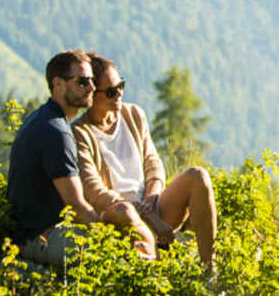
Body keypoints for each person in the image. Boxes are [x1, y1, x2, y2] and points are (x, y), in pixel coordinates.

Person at [6, 49, 156, 267]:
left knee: (123, 227)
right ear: (58, 84)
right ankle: (155, 268)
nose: (92, 88)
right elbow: (76, 205)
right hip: (42, 236)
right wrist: (108, 240)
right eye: (83, 82)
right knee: (117, 257)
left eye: (92, 82)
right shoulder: (57, 132)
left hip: (39, 231)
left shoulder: (44, 118)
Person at [74, 54, 217, 276]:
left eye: (120, 86)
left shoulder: (133, 114)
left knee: (197, 176)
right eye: (111, 92)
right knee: (124, 211)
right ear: (92, 94)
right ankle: (159, 274)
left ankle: (210, 272)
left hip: (151, 206)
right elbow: (93, 190)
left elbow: (153, 164)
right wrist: (145, 215)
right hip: (117, 215)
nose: (119, 94)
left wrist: (151, 200)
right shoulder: (80, 133)